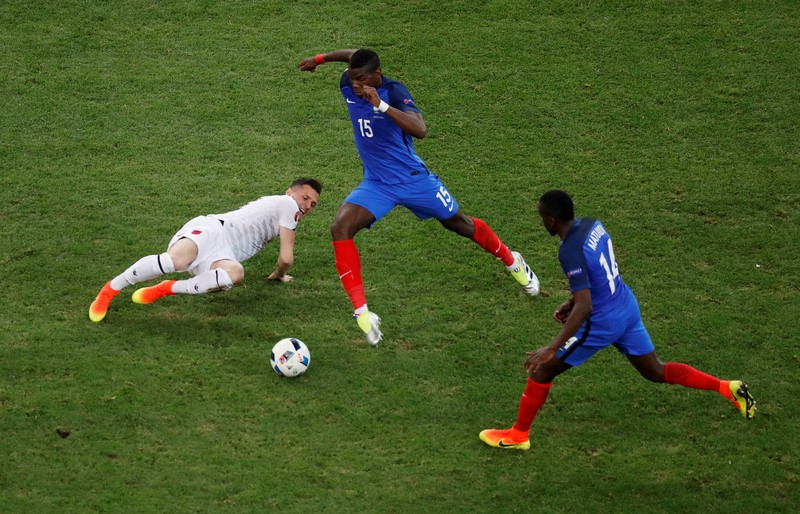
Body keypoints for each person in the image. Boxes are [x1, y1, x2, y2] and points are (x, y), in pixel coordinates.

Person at [479, 189, 756, 451]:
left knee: (542, 370)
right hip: (625, 305)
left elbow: (585, 307)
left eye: (542, 217)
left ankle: (518, 436)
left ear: (551, 220)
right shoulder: (593, 225)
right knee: (655, 371)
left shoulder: (569, 251)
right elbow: (598, 273)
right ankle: (727, 388)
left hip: (603, 321)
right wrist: (571, 300)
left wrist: (552, 346)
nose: (542, 222)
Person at [298, 48, 539, 346]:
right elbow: (353, 54)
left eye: (362, 79)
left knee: (459, 224)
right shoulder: (347, 83)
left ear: (377, 74)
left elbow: (420, 129)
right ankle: (362, 313)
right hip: (377, 185)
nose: (357, 85)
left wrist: (381, 104)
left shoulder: (394, 91)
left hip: (415, 181)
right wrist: (319, 60)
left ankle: (512, 260)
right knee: (340, 228)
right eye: (353, 78)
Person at [89, 178, 322, 322]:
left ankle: (166, 288)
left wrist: (280, 270)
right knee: (174, 262)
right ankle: (110, 290)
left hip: (223, 254)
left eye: (312, 204)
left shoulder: (287, 212)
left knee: (235, 274)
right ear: (288, 192)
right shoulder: (287, 205)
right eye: (305, 197)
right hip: (213, 230)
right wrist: (280, 274)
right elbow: (286, 258)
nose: (307, 205)